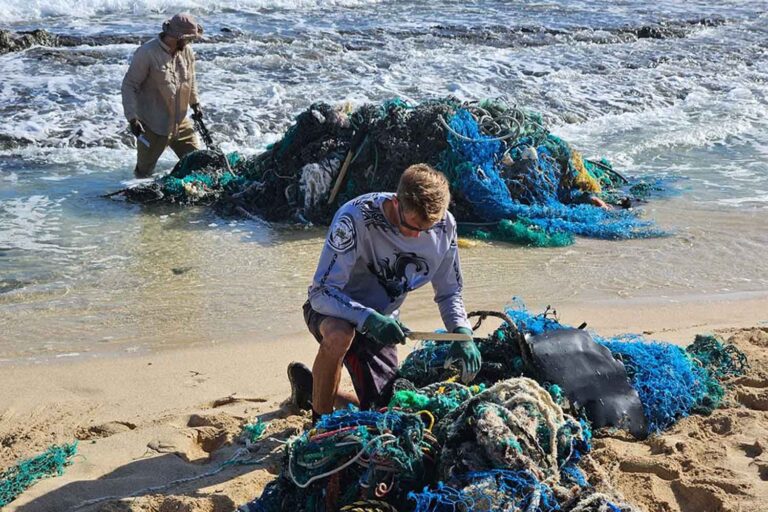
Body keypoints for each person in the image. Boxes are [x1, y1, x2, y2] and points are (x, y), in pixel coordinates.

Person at [288, 164, 482, 421]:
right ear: (396, 202)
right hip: (333, 309)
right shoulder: (355, 218)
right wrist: (367, 318)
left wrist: (462, 332)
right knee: (340, 335)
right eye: (409, 225)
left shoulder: (445, 227)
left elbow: (449, 293)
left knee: (385, 411)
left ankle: (312, 389)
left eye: (424, 230)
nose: (415, 235)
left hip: (384, 323)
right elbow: (322, 291)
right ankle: (319, 423)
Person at [121, 13, 204, 178]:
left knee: (197, 164)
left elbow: (191, 79)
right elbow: (129, 86)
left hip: (181, 122)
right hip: (153, 126)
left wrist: (195, 104)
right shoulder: (146, 53)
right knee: (142, 175)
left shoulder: (186, 51)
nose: (190, 42)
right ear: (177, 37)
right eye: (188, 39)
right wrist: (132, 119)